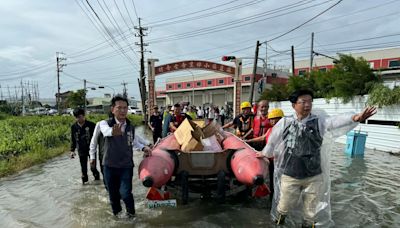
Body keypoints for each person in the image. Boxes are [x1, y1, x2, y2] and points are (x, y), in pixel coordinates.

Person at [257, 89, 377, 227]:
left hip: (314, 176)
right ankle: (279, 223)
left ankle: (307, 225)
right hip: (290, 174)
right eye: (303, 102)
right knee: (284, 205)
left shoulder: (318, 121)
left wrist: (354, 118)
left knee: (311, 211)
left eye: (310, 102)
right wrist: (265, 153)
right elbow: (273, 141)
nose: (307, 105)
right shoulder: (285, 122)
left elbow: (333, 122)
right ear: (294, 105)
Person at [99, 96, 152, 217]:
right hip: (109, 166)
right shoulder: (104, 123)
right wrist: (113, 132)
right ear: (113, 109)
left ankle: (131, 217)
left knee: (126, 193)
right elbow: (105, 131)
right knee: (113, 196)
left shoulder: (130, 126)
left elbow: (133, 141)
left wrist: (144, 147)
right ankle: (117, 218)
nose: (123, 111)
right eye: (119, 108)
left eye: (125, 108)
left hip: (125, 166)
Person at [70, 108, 100, 184]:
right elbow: (73, 139)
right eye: (77, 117)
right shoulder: (74, 127)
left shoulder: (91, 125)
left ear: (84, 115)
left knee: (92, 168)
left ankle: (98, 182)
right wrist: (72, 150)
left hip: (91, 150)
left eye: (80, 117)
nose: (79, 119)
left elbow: (97, 137)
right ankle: (84, 186)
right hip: (81, 150)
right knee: (83, 171)